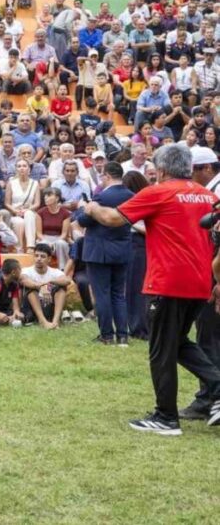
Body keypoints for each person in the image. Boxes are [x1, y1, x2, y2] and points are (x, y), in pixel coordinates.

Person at [84, 144, 220, 435]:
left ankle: (166, 417)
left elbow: (112, 219)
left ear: (160, 170)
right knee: (177, 342)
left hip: (167, 281)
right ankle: (216, 385)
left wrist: (92, 207)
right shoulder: (207, 195)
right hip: (200, 282)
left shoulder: (158, 192)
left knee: (161, 350)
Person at [76, 161, 132, 345]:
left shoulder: (101, 197)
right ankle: (123, 335)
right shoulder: (132, 196)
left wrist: (84, 208)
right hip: (122, 249)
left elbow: (83, 221)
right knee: (118, 294)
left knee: (102, 294)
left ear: (106, 176)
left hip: (99, 251)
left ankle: (107, 335)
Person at [19, 243, 72, 329]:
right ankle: (42, 321)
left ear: (49, 259)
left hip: (49, 305)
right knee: (31, 289)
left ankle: (55, 321)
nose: (38, 259)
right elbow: (24, 280)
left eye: (42, 256)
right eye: (36, 256)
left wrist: (50, 282)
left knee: (61, 288)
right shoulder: (26, 271)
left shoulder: (55, 272)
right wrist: (41, 287)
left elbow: (67, 280)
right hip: (31, 309)